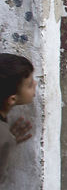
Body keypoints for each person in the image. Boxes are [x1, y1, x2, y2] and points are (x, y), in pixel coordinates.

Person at [0, 53, 36, 182]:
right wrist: (7, 141)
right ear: (12, 99)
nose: (36, 84)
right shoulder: (3, 136)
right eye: (30, 85)